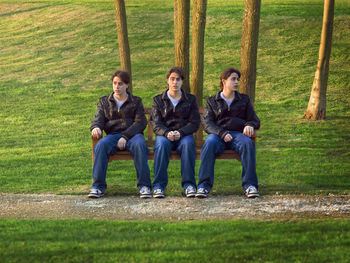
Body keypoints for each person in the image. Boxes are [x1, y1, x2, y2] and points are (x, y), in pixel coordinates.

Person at [196, 67, 260, 198]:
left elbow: (254, 120)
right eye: (233, 79)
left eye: (237, 79)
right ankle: (203, 186)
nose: (237, 82)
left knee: (247, 143)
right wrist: (222, 133)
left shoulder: (244, 100)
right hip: (218, 136)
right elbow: (207, 123)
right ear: (224, 81)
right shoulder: (212, 101)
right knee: (209, 142)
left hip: (238, 135)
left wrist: (249, 124)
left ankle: (250, 185)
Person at [89, 70, 152, 199]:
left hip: (133, 136)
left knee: (140, 145)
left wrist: (125, 136)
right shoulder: (104, 102)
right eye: (115, 83)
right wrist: (95, 127)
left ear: (127, 85)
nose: (117, 87)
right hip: (113, 136)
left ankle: (144, 186)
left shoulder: (136, 101)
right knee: (100, 146)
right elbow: (98, 119)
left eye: (120, 84)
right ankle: (97, 187)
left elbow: (140, 123)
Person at [150, 67, 200, 198]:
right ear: (167, 80)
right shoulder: (158, 100)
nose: (175, 82)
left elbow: (194, 122)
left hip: (183, 136)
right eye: (172, 79)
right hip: (164, 136)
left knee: (188, 144)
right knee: (161, 145)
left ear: (182, 82)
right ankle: (158, 187)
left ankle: (189, 185)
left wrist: (181, 132)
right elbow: (155, 123)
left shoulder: (190, 99)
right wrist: (166, 133)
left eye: (178, 79)